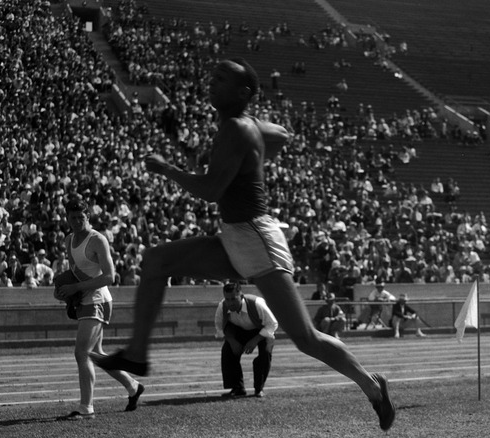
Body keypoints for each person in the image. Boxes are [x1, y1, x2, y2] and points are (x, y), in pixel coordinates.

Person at [91, 59, 395, 430]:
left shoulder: (236, 129)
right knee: (156, 260)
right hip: (236, 236)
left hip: (257, 238)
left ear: (243, 93)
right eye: (212, 76)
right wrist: (257, 153)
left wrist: (167, 169)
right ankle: (136, 354)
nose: (211, 83)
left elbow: (210, 191)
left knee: (306, 339)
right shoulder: (243, 126)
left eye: (221, 79)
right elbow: (281, 134)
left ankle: (371, 385)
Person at [55, 199, 144, 420]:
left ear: (88, 217)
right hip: (84, 300)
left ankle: (86, 409)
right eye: (72, 217)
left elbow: (109, 276)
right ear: (67, 218)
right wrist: (64, 292)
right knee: (97, 355)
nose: (76, 221)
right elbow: (75, 272)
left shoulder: (98, 240)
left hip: (98, 300)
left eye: (81, 217)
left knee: (81, 353)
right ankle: (133, 387)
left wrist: (76, 287)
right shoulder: (69, 240)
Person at [215, 282, 278, 398]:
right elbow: (219, 328)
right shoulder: (222, 306)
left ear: (242, 296)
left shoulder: (257, 303)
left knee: (266, 352)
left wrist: (255, 340)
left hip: (261, 331)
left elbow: (272, 324)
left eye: (233, 299)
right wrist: (232, 341)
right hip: (238, 330)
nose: (230, 303)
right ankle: (237, 388)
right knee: (227, 351)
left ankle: (259, 389)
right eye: (227, 299)